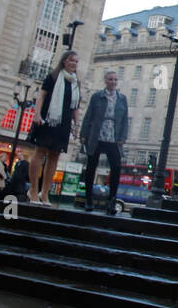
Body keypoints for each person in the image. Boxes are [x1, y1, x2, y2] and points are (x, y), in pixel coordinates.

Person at [28, 51, 81, 205]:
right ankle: (33, 191)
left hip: (64, 122)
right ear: (64, 61)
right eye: (72, 60)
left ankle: (45, 193)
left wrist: (76, 125)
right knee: (40, 151)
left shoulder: (76, 83)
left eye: (76, 61)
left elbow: (75, 106)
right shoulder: (53, 77)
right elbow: (42, 95)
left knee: (54, 156)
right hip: (48, 117)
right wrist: (37, 113)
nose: (74, 64)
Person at [79, 69, 129, 213]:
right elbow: (89, 115)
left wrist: (123, 137)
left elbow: (125, 119)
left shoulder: (122, 98)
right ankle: (88, 199)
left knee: (116, 167)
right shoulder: (97, 97)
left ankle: (111, 201)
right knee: (91, 167)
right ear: (105, 81)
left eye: (115, 80)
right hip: (97, 134)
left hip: (113, 136)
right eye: (110, 79)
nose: (113, 82)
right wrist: (84, 134)